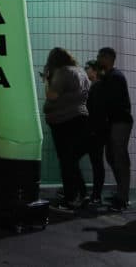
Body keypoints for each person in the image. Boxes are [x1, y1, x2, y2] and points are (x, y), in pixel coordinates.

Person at [42, 47, 90, 212]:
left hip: (64, 121)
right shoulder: (80, 71)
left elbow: (52, 96)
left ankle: (70, 200)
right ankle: (80, 194)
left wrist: (47, 80)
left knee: (66, 161)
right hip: (79, 119)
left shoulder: (62, 73)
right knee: (71, 160)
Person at [97, 46, 133, 211]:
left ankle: (123, 197)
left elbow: (108, 101)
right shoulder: (110, 76)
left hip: (120, 122)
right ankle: (121, 193)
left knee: (119, 158)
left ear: (107, 58)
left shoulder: (115, 77)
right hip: (115, 122)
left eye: (100, 57)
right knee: (112, 156)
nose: (98, 60)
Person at [85, 59, 108, 205]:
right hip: (96, 129)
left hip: (96, 130)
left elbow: (97, 111)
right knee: (97, 162)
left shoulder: (98, 86)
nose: (85, 71)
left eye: (87, 68)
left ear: (94, 70)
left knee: (97, 162)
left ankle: (96, 195)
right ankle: (95, 194)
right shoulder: (95, 85)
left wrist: (93, 129)